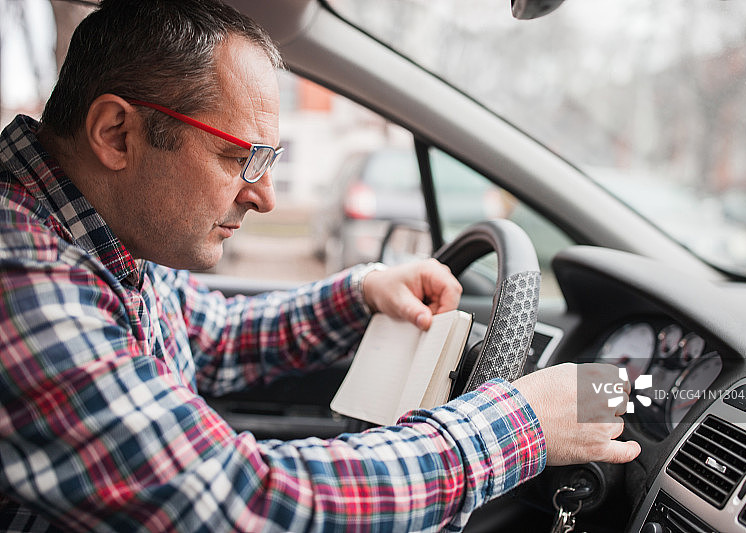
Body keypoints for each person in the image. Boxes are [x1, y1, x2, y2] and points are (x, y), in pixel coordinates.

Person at [0, 0, 640, 531]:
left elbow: (205, 333)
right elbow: (242, 502)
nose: (265, 195)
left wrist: (361, 293)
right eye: (239, 158)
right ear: (117, 134)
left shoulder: (100, 241)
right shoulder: (20, 276)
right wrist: (516, 425)